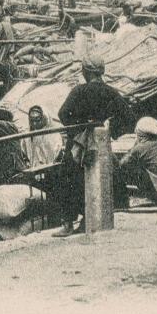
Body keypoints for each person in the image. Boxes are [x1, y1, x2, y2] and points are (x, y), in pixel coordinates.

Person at [54, 56, 133, 236]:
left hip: (79, 143)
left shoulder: (79, 92)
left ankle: (67, 224)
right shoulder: (111, 92)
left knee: (68, 178)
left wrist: (79, 126)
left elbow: (63, 113)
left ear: (86, 72)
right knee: (102, 177)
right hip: (101, 142)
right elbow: (128, 117)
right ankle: (89, 218)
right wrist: (109, 129)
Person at [22, 105, 59, 171]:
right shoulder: (27, 137)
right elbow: (24, 153)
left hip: (50, 169)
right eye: (32, 120)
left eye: (38, 120)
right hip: (33, 169)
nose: (35, 123)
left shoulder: (54, 135)